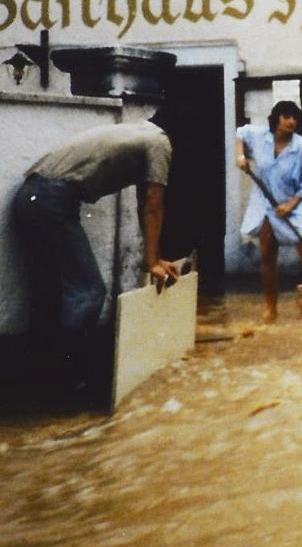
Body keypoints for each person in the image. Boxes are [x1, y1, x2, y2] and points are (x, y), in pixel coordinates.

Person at [11, 104, 186, 395]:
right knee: (89, 291)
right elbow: (153, 206)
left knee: (53, 292)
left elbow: (144, 204)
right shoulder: (159, 143)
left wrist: (153, 259)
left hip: (29, 196)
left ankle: (47, 380)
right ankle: (72, 380)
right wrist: (152, 262)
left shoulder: (137, 132)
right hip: (51, 200)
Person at [235, 100, 302, 321]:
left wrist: (290, 205)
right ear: (276, 118)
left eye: (295, 118)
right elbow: (240, 133)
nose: (291, 121)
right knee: (268, 256)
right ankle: (271, 308)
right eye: (287, 116)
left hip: (297, 203)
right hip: (266, 202)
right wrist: (240, 156)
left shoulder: (301, 146)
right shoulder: (260, 136)